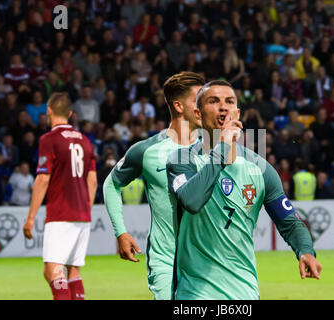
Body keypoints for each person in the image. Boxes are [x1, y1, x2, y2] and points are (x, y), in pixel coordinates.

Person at [166, 80, 321, 299]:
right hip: (193, 293)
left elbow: (290, 222)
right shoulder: (181, 161)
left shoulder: (261, 169)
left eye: (229, 102)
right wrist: (223, 148)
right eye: (214, 101)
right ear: (198, 114)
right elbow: (192, 201)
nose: (223, 107)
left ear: (237, 113)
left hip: (244, 293)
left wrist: (305, 251)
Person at [103, 72, 205, 300]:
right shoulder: (147, 150)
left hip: (206, 259)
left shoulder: (215, 150)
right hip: (165, 259)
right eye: (198, 101)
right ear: (178, 106)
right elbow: (111, 184)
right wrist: (121, 232)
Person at [22, 93, 97, 300]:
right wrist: (86, 210)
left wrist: (30, 218)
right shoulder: (85, 141)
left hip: (60, 214)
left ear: (48, 111)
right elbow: (92, 181)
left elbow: (42, 179)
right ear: (71, 114)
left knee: (53, 271)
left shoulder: (49, 139)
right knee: (73, 271)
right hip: (82, 214)